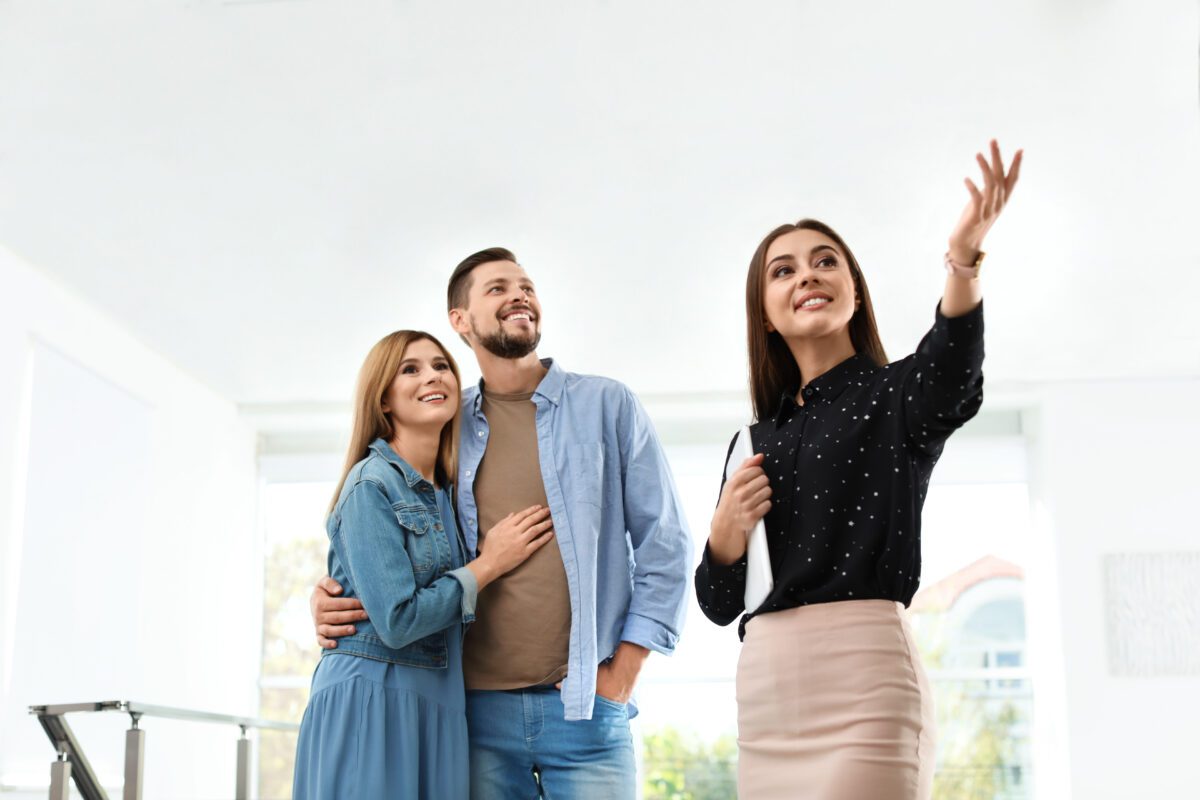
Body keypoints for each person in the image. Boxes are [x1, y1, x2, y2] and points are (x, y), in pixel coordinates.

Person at [695, 141, 1023, 799]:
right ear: (765, 311)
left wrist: (963, 259)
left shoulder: (898, 395)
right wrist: (725, 534)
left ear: (853, 289)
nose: (807, 276)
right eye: (783, 271)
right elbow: (718, 602)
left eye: (825, 262)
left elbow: (954, 369)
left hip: (865, 685)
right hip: (766, 697)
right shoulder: (751, 440)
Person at [311, 251, 693, 799]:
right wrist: (333, 590)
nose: (519, 295)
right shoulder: (445, 420)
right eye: (497, 288)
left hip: (586, 707)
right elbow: (391, 531)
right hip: (471, 715)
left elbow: (666, 547)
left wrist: (623, 673)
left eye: (526, 285)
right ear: (460, 320)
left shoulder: (607, 404)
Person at [293, 330, 554, 800]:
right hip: (374, 703)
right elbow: (397, 619)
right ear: (384, 399)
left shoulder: (449, 493)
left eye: (440, 365)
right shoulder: (371, 485)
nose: (431, 376)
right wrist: (488, 564)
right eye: (409, 369)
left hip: (438, 702)